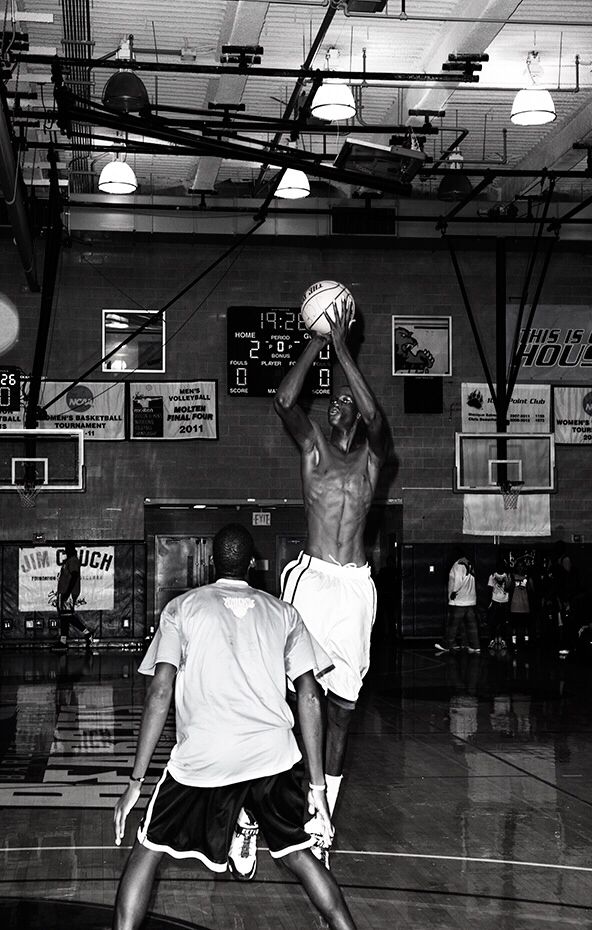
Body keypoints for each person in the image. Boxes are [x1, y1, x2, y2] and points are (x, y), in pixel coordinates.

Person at [112, 524, 358, 930]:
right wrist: (317, 787)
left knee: (147, 850)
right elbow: (311, 698)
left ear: (211, 562)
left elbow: (160, 693)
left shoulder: (181, 608)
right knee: (299, 854)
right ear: (252, 566)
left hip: (204, 759)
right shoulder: (284, 613)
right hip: (273, 757)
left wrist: (135, 782)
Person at [259, 294, 388, 869]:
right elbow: (285, 399)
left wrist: (343, 349)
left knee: (343, 710)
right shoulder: (311, 451)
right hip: (311, 581)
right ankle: (256, 806)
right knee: (288, 697)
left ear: (354, 412)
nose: (336, 404)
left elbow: (379, 418)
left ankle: (321, 818)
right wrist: (317, 340)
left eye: (344, 400)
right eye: (333, 399)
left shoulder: (373, 460)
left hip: (355, 589)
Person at [53, 542, 96, 649]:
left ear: (72, 550)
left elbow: (75, 575)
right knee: (65, 616)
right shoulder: (68, 560)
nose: (66, 551)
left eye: (67, 549)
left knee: (68, 616)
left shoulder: (73, 560)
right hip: (64, 592)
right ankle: (63, 642)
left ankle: (87, 633)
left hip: (69, 593)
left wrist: (67, 593)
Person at [438, 556, 480, 655]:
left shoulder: (458, 565)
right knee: (472, 625)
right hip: (471, 599)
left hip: (459, 600)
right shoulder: (470, 564)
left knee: (453, 624)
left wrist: (453, 592)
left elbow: (457, 580)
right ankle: (475, 646)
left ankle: (448, 644)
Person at [508, 558, 535, 650]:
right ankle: (515, 645)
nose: (520, 568)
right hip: (514, 606)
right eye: (518, 566)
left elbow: (532, 592)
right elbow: (507, 589)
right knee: (515, 628)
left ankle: (523, 645)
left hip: (525, 607)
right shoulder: (511, 577)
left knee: (523, 628)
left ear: (525, 567)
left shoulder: (528, 578)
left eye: (522, 566)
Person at [487, 556, 510, 652]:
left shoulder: (507, 575)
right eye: (499, 565)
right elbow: (489, 589)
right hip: (495, 601)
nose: (501, 567)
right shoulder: (492, 575)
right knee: (493, 623)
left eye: (502, 565)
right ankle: (492, 640)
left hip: (504, 602)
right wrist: (490, 602)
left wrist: (506, 580)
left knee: (504, 623)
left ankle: (503, 641)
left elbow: (508, 588)